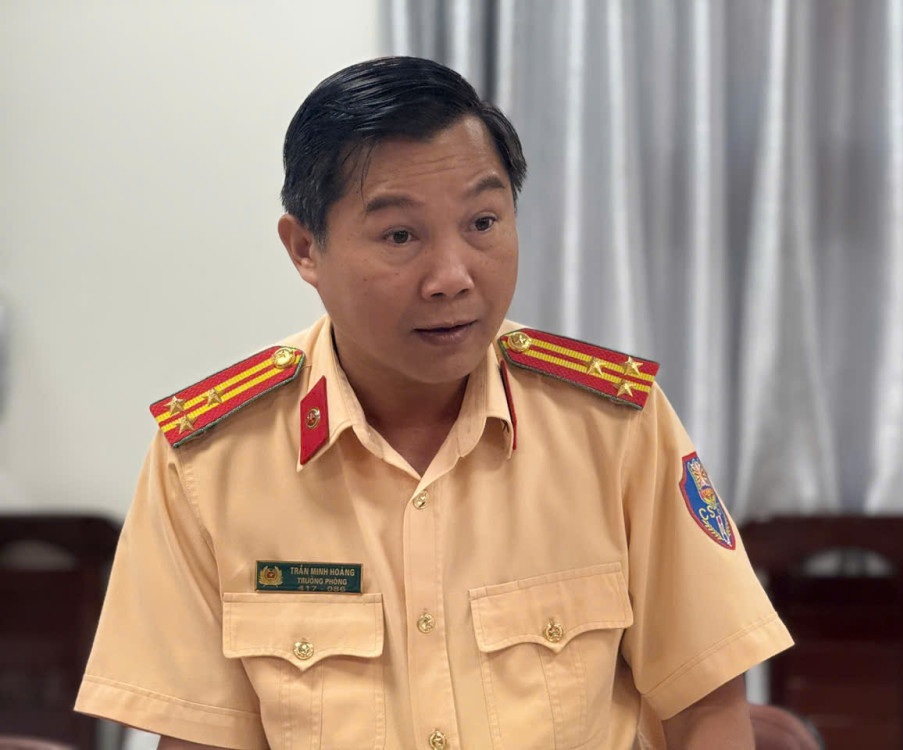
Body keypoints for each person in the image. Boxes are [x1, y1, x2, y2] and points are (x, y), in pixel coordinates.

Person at [75, 56, 792, 749]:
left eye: (483, 223)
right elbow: (201, 739)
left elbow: (706, 708)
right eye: (400, 235)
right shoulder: (210, 462)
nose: (452, 276)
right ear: (305, 249)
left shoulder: (612, 426)